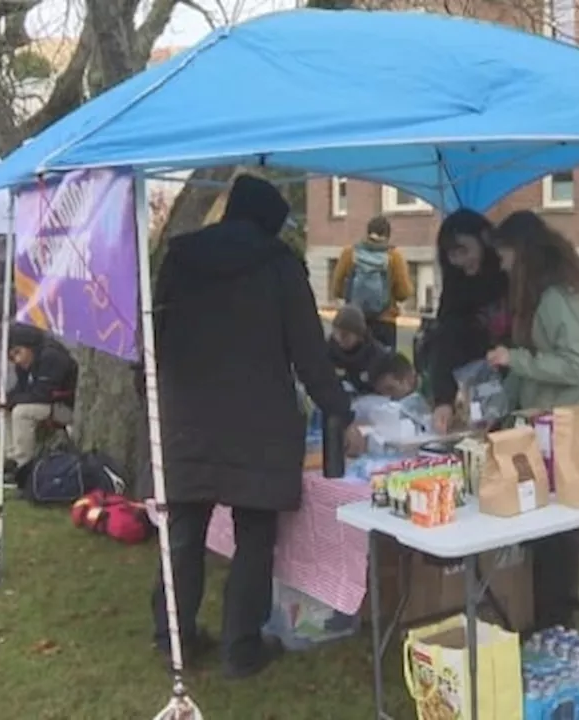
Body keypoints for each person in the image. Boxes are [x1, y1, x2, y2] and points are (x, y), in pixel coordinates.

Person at [149, 174, 364, 678]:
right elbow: (311, 355)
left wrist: (152, 400)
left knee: (184, 532)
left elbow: (153, 336)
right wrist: (341, 412)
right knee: (254, 539)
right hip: (258, 423)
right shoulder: (279, 266)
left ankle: (173, 638)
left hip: (187, 417)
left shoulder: (179, 259)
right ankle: (240, 648)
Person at [485, 209, 579, 632]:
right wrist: (501, 407)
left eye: (504, 256)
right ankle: (541, 606)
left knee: (558, 525)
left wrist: (514, 358)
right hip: (545, 421)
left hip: (567, 425)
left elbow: (577, 365)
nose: (501, 265)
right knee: (542, 520)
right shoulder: (542, 295)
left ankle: (557, 614)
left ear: (521, 252)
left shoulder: (557, 297)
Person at [427, 209, 509, 434]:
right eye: (451, 254)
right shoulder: (455, 287)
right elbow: (445, 342)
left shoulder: (510, 277)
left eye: (464, 250)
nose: (459, 261)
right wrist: (443, 399)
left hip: (516, 384)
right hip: (474, 390)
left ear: (484, 240)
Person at [0, 323, 77, 477]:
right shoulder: (27, 362)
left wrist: (8, 401)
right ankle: (11, 459)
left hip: (65, 406)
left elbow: (42, 394)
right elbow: (22, 389)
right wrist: (1, 400)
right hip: (47, 403)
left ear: (29, 346)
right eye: (12, 357)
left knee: (22, 412)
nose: (17, 360)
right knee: (5, 409)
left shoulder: (51, 356)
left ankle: (24, 467)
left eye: (18, 352)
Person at [330, 215, 413, 351]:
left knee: (354, 365)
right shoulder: (394, 256)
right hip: (384, 323)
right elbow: (403, 293)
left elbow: (337, 288)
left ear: (367, 232)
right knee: (384, 368)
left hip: (354, 323)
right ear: (388, 235)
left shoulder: (350, 253)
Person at [328, 305, 390, 396]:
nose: (339, 338)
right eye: (335, 332)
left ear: (359, 336)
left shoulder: (376, 354)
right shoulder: (328, 350)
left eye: (345, 335)